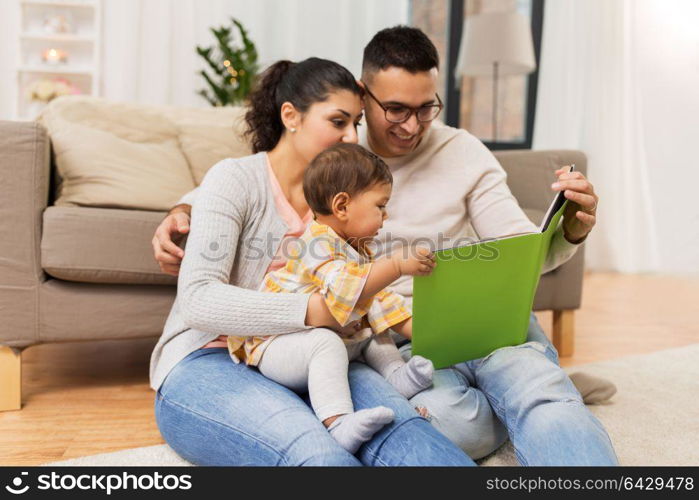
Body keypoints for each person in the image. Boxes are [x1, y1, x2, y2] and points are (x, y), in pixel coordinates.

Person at [154, 27, 618, 465]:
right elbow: (243, 191)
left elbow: (520, 247)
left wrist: (569, 231)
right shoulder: (318, 176)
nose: (411, 125)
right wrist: (183, 210)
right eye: (395, 109)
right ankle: (530, 394)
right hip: (372, 336)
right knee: (446, 429)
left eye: (426, 108)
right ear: (363, 93)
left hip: (438, 323)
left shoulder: (451, 154)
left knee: (529, 392)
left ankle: (539, 393)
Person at [149, 57, 476, 466]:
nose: (352, 137)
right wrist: (314, 312)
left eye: (356, 123)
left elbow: (367, 291)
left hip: (325, 350)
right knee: (316, 452)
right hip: (210, 356)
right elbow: (198, 300)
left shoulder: (346, 206)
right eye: (338, 122)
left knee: (404, 432)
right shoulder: (236, 180)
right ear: (291, 116)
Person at [228, 143, 438, 454]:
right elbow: (345, 291)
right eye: (380, 206)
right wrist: (395, 265)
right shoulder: (316, 243)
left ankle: (396, 375)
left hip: (314, 340)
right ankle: (338, 422)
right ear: (341, 206)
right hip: (276, 345)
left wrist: (432, 336)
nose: (386, 215)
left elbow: (381, 301)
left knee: (372, 327)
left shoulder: (356, 249)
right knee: (327, 341)